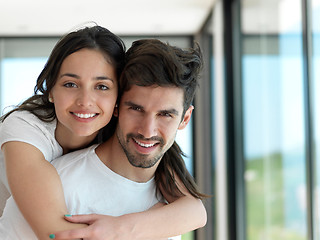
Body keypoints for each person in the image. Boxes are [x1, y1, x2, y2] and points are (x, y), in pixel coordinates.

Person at [0, 27, 207, 239]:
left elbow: (196, 211)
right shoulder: (26, 132)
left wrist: (124, 228)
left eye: (101, 86)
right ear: (50, 90)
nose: (86, 101)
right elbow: (55, 234)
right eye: (70, 84)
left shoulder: (152, 170)